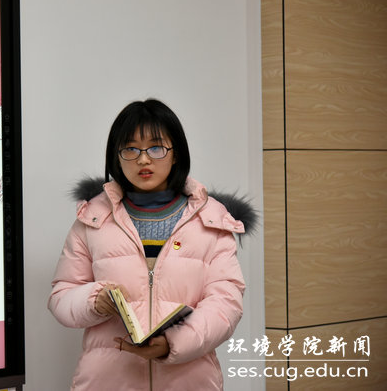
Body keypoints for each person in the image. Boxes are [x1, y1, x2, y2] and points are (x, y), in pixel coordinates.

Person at [48, 99, 255, 390]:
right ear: (117, 156)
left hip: (189, 381)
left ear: (176, 153)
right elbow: (61, 296)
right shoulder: (92, 219)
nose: (143, 160)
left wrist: (173, 343)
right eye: (131, 149)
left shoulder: (212, 220)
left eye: (156, 148)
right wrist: (94, 300)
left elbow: (226, 304)